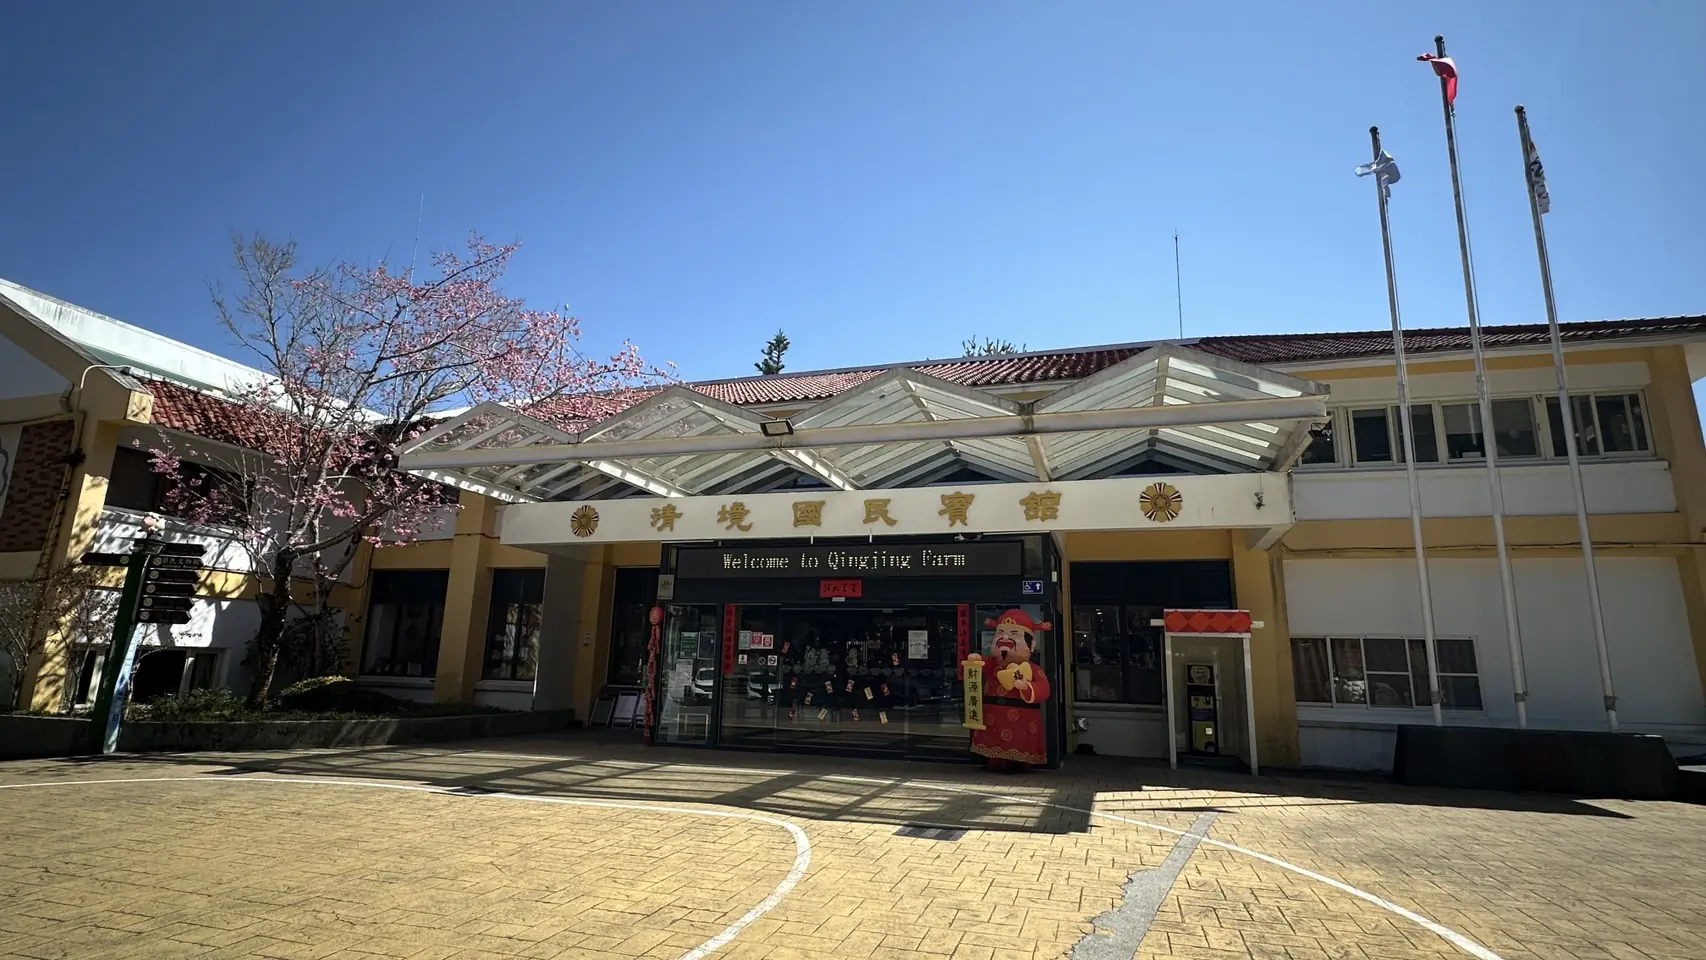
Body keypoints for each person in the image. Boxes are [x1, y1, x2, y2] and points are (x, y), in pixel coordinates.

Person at [964, 609, 1052, 772]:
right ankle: (992, 760)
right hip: (993, 715)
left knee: (1020, 741)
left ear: (1031, 644)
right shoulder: (993, 664)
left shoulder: (1031, 668)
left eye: (1014, 634)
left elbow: (1044, 688)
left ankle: (1019, 763)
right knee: (992, 739)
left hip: (1021, 716)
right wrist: (976, 660)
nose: (1005, 639)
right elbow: (980, 663)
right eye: (1000, 634)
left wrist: (1027, 687)